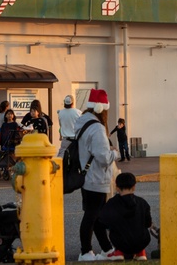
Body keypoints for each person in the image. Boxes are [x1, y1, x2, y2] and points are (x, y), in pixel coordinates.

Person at [73, 89, 122, 261]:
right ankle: (85, 251)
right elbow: (102, 157)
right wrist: (115, 154)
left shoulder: (83, 123)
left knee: (97, 216)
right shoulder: (97, 128)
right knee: (92, 217)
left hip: (87, 177)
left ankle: (107, 250)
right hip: (97, 178)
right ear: (102, 108)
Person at [99, 172, 152, 261]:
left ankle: (119, 252)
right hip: (142, 241)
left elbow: (103, 222)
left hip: (121, 242)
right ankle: (140, 252)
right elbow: (148, 223)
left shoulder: (112, 203)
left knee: (115, 228)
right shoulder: (142, 203)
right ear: (134, 187)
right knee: (139, 227)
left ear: (117, 188)